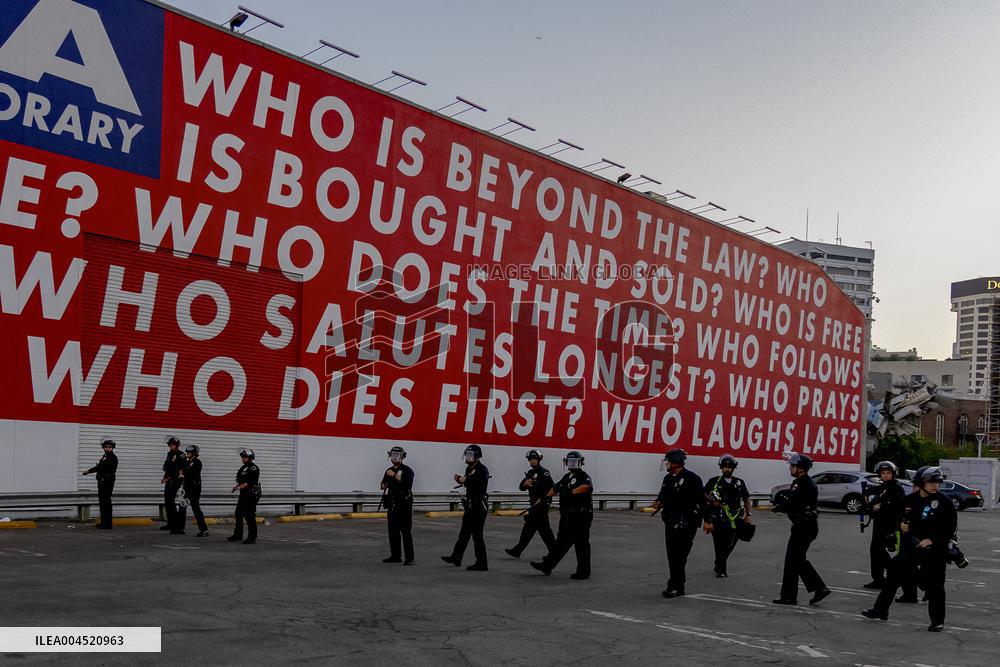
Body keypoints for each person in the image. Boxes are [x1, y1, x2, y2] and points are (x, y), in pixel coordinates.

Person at [863, 466, 957, 631]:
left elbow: (950, 529)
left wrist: (932, 540)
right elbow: (899, 517)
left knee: (936, 586)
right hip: (910, 548)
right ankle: (880, 610)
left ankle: (937, 621)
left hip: (934, 550)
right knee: (892, 577)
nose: (935, 485)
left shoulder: (945, 502)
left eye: (938, 482)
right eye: (931, 482)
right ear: (921, 483)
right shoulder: (909, 500)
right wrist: (900, 526)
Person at [772, 453, 831, 606]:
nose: (790, 468)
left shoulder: (804, 483)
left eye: (792, 465)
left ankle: (790, 596)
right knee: (797, 560)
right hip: (803, 526)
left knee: (792, 561)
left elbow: (794, 502)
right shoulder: (801, 481)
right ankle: (819, 588)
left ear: (800, 468)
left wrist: (782, 505)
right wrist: (782, 506)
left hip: (804, 527)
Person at [529, 451, 594, 579]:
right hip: (567, 516)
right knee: (560, 543)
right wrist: (544, 498)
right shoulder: (566, 477)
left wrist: (571, 492)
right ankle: (547, 565)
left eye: (575, 462)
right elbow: (555, 488)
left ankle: (583, 572)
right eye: (569, 462)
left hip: (581, 515)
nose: (572, 464)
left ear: (581, 463)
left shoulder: (583, 476)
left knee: (581, 543)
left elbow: (586, 487)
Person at [650, 448, 705, 597]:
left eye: (668, 460)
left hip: (688, 523)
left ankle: (674, 585)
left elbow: (702, 501)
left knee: (680, 555)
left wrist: (708, 521)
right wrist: (658, 502)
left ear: (675, 462)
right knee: (672, 555)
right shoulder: (668, 479)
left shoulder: (693, 478)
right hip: (670, 522)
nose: (666, 463)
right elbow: (663, 496)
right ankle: (678, 586)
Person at [703, 454, 752, 578]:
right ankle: (721, 569)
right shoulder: (713, 481)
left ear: (734, 468)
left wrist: (748, 514)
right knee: (719, 543)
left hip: (735, 518)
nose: (727, 469)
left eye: (729, 467)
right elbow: (703, 495)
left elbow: (746, 499)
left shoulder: (740, 483)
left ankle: (719, 561)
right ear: (721, 468)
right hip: (718, 518)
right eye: (725, 467)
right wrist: (712, 500)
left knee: (731, 543)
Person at [442, 445, 490, 571]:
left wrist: (461, 479)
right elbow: (466, 481)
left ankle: (482, 563)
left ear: (477, 456)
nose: (468, 457)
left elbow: (468, 481)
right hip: (470, 505)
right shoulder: (469, 468)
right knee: (464, 533)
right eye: (467, 455)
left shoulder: (482, 470)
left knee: (477, 535)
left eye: (471, 455)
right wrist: (461, 480)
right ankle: (456, 558)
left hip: (479, 505)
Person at [862, 460, 907, 589]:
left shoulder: (897, 488)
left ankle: (894, 572)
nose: (886, 475)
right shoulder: (882, 487)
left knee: (880, 552)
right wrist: (869, 500)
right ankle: (878, 579)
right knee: (875, 552)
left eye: (888, 473)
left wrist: (881, 505)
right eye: (883, 473)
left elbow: (897, 506)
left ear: (893, 474)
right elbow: (870, 501)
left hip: (889, 525)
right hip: (879, 524)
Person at [505, 449, 556, 559]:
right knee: (528, 529)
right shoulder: (530, 473)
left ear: (539, 460)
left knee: (544, 531)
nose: (533, 461)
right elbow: (521, 487)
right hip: (534, 506)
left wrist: (543, 499)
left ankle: (555, 552)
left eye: (535, 459)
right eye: (531, 459)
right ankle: (517, 550)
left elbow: (553, 488)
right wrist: (525, 483)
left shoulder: (544, 472)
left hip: (542, 505)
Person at [381, 446, 415, 565]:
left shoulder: (407, 470)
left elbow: (407, 483)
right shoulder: (388, 470)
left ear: (402, 457)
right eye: (393, 455)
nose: (394, 457)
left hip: (404, 504)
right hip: (392, 503)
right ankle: (395, 556)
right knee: (392, 530)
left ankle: (410, 558)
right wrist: (384, 484)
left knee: (405, 530)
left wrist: (394, 475)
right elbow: (383, 485)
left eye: (397, 455)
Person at [82, 437, 118, 529]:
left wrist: (104, 479)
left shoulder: (113, 458)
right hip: (102, 483)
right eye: (105, 447)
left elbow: (111, 472)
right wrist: (88, 471)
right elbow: (98, 468)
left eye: (109, 447)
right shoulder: (104, 457)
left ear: (112, 448)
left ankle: (107, 524)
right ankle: (104, 523)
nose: (107, 448)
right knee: (102, 503)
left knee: (106, 503)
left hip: (107, 483)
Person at [228, 448, 260, 544]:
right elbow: (240, 480)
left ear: (250, 458)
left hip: (250, 495)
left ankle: (252, 537)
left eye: (245, 457)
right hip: (243, 494)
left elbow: (250, 482)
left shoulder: (253, 468)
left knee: (249, 516)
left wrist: (238, 487)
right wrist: (237, 486)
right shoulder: (243, 467)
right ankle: (238, 535)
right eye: (242, 457)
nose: (243, 458)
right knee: (238, 513)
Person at [161, 436, 187, 534]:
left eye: (171, 444)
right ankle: (170, 523)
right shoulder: (169, 453)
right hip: (169, 480)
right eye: (169, 444)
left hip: (176, 481)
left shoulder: (181, 455)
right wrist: (165, 477)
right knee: (167, 502)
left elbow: (181, 469)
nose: (170, 446)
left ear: (176, 445)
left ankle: (176, 525)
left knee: (171, 503)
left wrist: (174, 478)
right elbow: (167, 466)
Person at [182, 444, 209, 537]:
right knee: (182, 507)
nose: (187, 453)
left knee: (195, 508)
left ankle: (204, 529)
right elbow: (183, 472)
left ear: (194, 453)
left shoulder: (197, 462)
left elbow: (192, 475)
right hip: (187, 488)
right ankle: (179, 528)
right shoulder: (187, 462)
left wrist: (184, 475)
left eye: (189, 452)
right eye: (187, 452)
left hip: (194, 488)